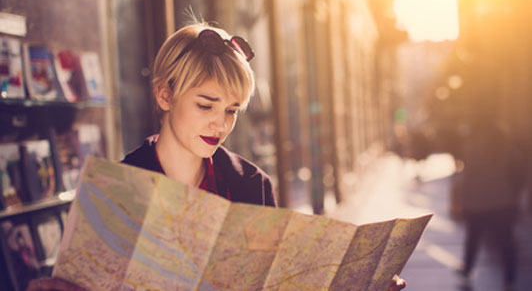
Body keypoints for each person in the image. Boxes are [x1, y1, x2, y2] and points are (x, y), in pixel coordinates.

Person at [26, 22, 406, 291]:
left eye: (232, 110)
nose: (220, 124)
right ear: (165, 96)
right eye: (206, 105)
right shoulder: (118, 190)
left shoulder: (251, 184)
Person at [456, 119, 523, 290]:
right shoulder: (507, 146)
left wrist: (463, 200)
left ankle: (467, 268)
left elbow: (467, 176)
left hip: (478, 202)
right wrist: (515, 195)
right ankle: (509, 278)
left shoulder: (472, 146)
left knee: (473, 236)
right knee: (506, 240)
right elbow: (519, 171)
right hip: (504, 201)